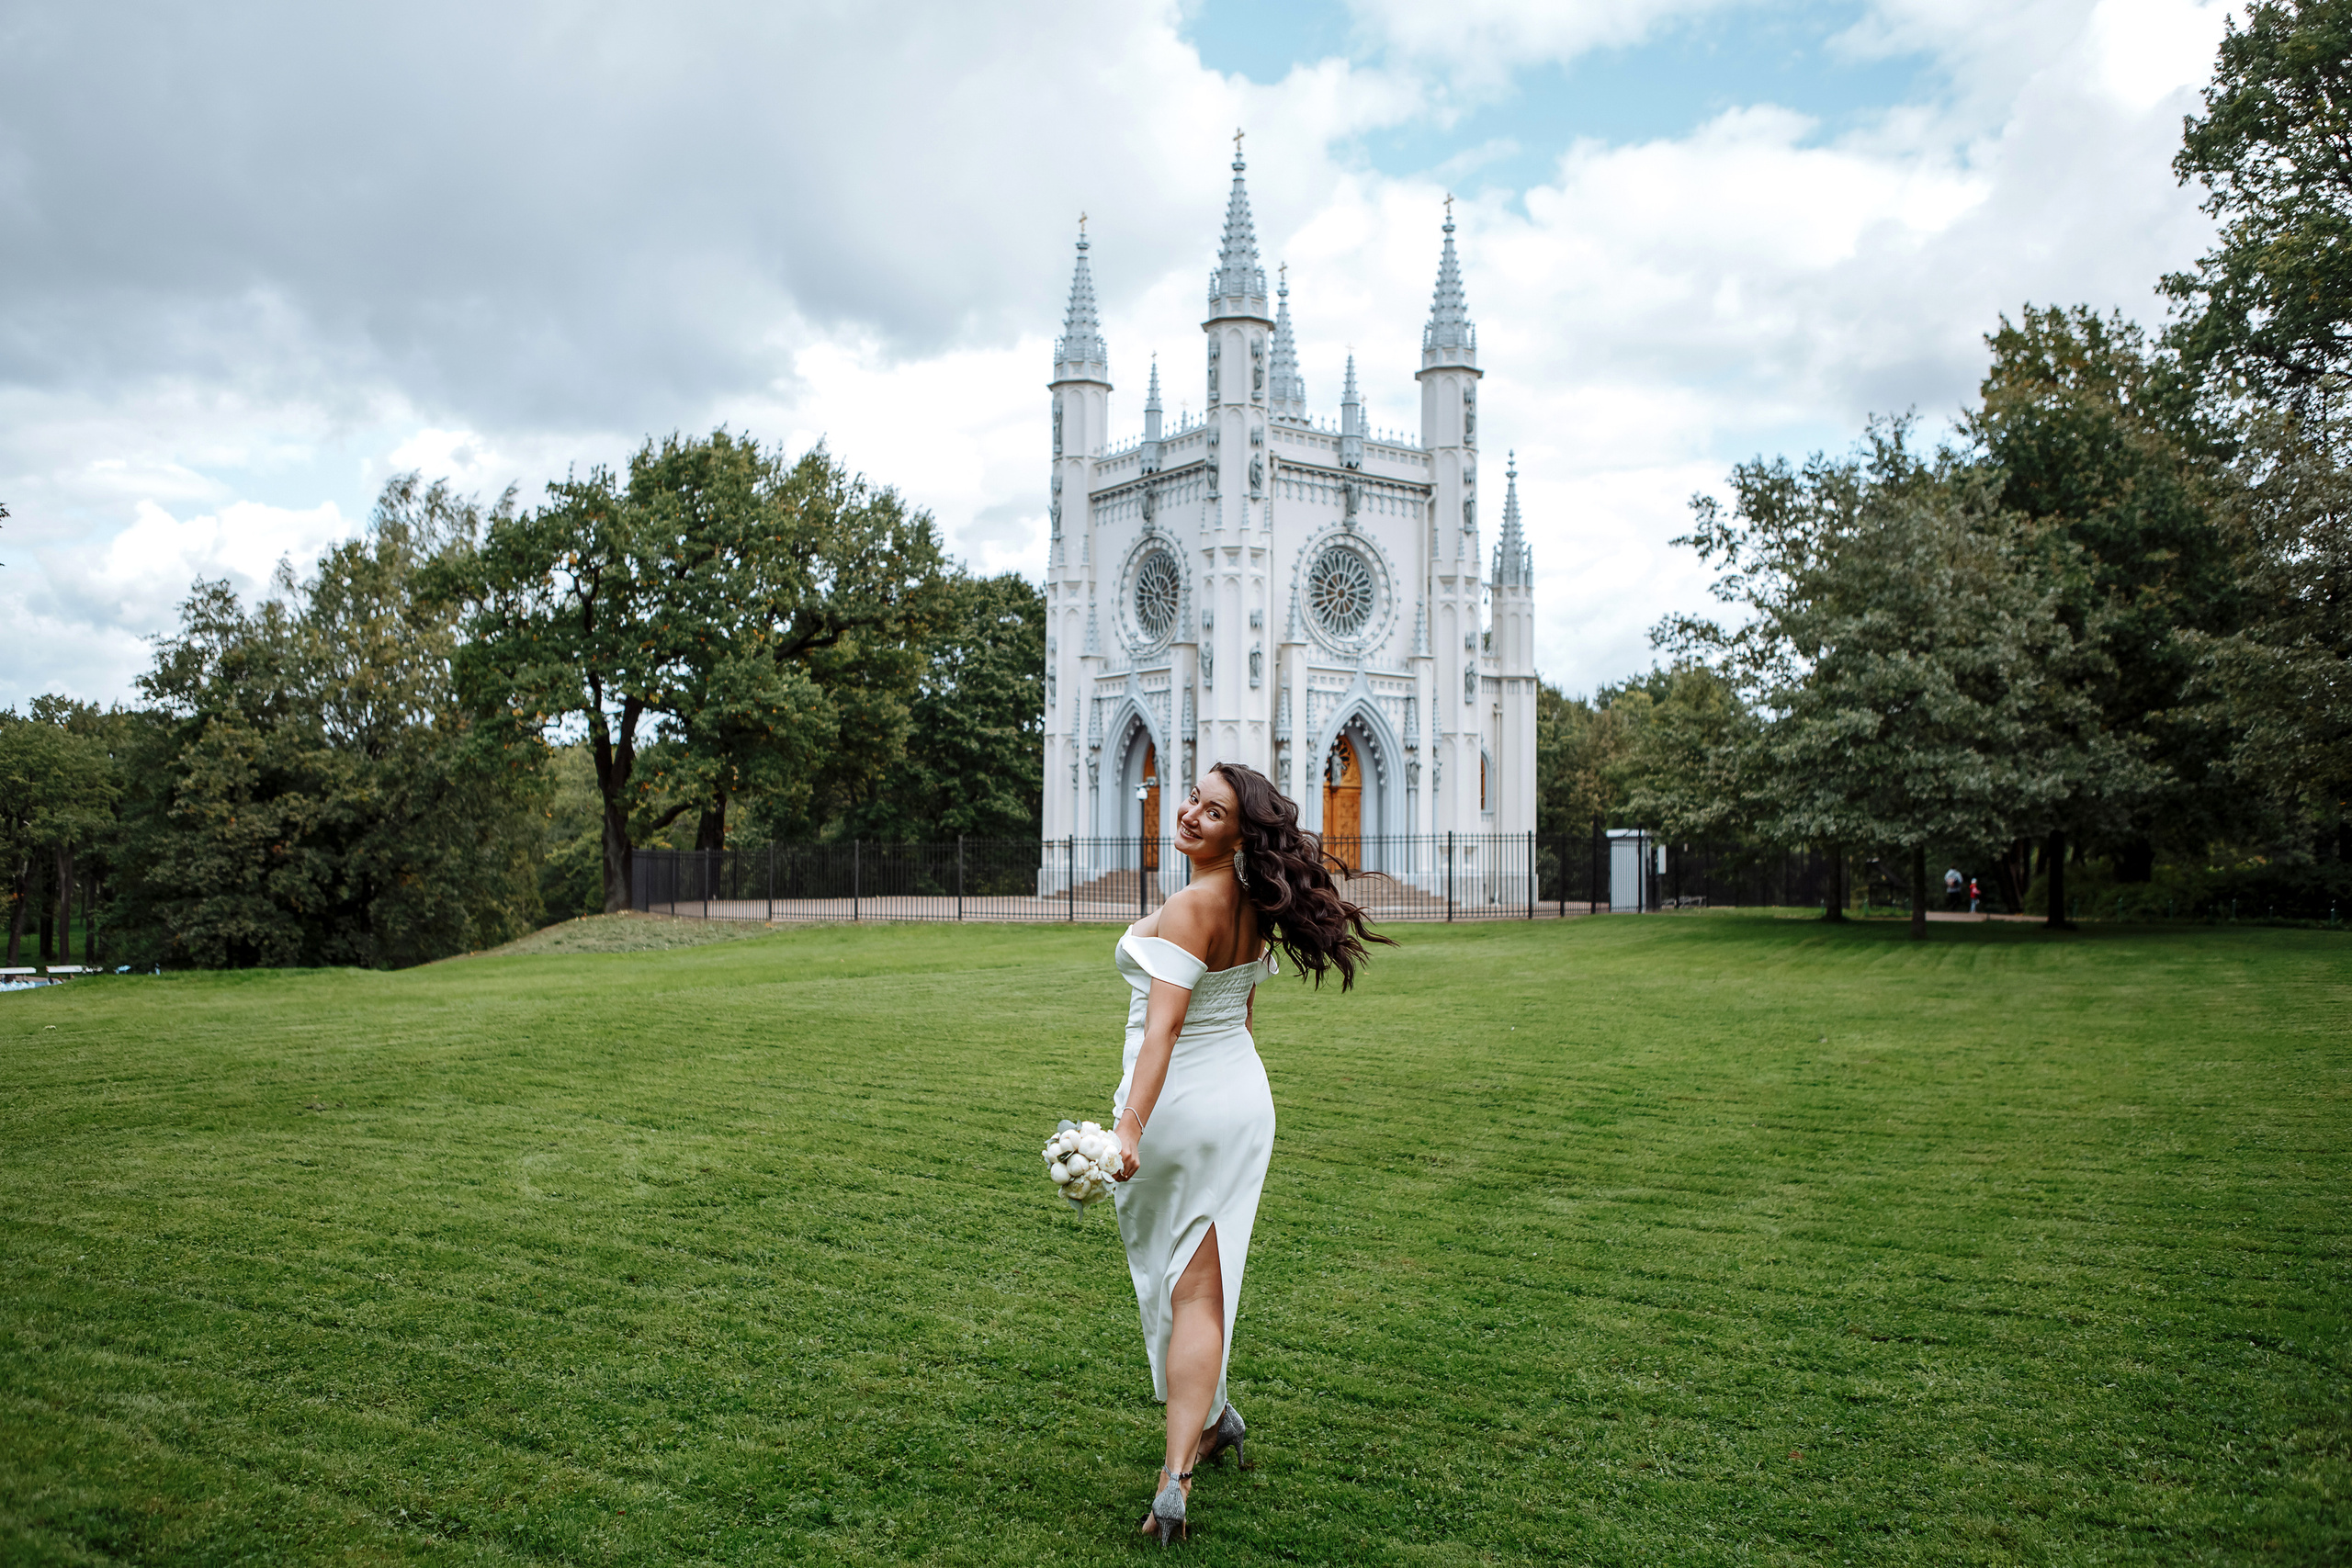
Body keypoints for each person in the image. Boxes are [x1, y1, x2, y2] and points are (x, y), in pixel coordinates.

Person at [1108, 761, 1388, 1545]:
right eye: (1193, 797)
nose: (1191, 812)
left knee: (1186, 1290)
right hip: (1240, 1098)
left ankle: (1176, 1478)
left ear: (1240, 833)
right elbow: (1240, 1012)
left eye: (1213, 810)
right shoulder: (1257, 906)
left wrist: (1127, 1129)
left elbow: (1162, 1031)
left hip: (1181, 1106)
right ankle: (1214, 1419)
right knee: (1204, 1277)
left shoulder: (1190, 904)